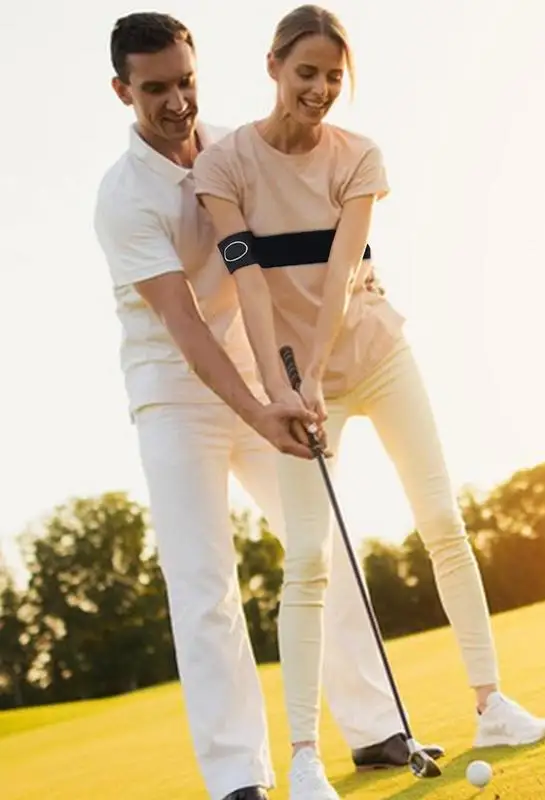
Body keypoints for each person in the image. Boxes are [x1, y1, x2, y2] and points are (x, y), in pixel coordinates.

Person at [192, 4, 545, 797]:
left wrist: (315, 372)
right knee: (308, 562)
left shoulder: (360, 157)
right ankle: (300, 758)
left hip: (377, 357)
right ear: (271, 68)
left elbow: (338, 273)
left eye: (333, 75)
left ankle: (491, 702)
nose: (320, 89)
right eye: (306, 73)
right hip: (293, 386)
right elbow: (249, 286)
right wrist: (284, 388)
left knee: (442, 523)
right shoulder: (224, 169)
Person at [92, 12, 442, 800]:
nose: (177, 101)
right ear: (122, 91)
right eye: (155, 90)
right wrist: (258, 411)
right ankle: (237, 780)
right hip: (174, 395)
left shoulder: (234, 147)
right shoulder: (123, 199)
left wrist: (298, 372)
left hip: (262, 372)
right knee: (204, 584)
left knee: (314, 542)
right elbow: (185, 327)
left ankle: (377, 727)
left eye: (186, 81)